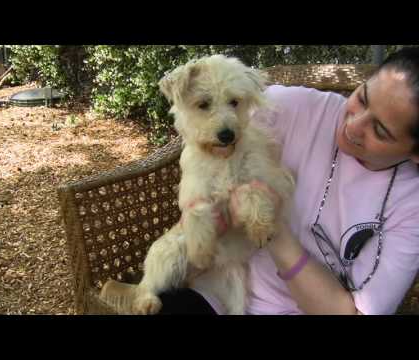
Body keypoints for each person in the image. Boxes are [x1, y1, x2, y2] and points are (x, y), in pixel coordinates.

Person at [157, 46, 419, 315]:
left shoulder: (411, 207)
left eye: (379, 130)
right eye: (362, 99)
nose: (353, 126)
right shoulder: (291, 107)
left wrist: (273, 230)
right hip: (221, 290)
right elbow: (207, 151)